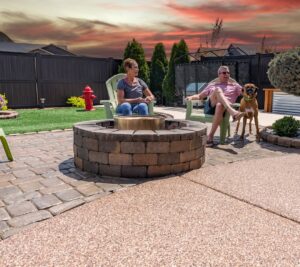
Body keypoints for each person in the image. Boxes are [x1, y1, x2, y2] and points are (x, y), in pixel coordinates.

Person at [186, 66, 244, 146]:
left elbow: (245, 93)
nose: (226, 74)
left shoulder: (235, 86)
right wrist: (191, 97)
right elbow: (200, 96)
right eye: (224, 73)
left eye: (228, 73)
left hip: (223, 110)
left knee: (220, 105)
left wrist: (250, 91)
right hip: (211, 107)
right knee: (217, 90)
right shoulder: (213, 85)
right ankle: (233, 113)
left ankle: (210, 137)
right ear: (219, 74)